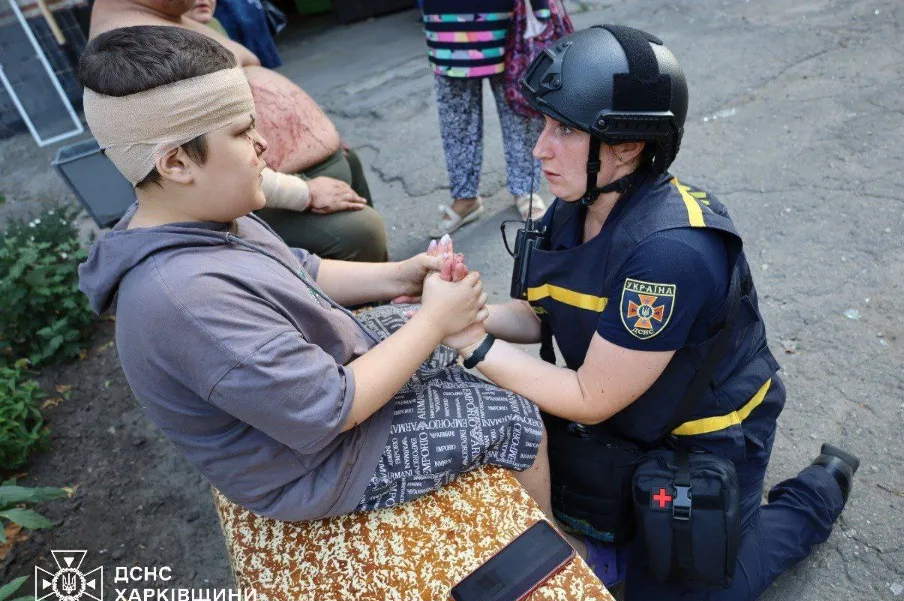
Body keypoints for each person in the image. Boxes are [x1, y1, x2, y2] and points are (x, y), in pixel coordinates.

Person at [441, 26, 860, 601]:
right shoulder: (576, 205)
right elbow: (538, 315)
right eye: (544, 125)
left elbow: (590, 395)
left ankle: (815, 494)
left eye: (564, 130)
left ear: (630, 144)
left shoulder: (671, 252)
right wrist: (457, 310)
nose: (539, 149)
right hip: (625, 423)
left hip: (702, 439)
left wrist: (468, 344)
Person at [76, 26, 565, 529]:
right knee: (514, 417)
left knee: (430, 335)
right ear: (177, 162)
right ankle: (560, 552)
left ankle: (508, 336)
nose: (263, 143)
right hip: (315, 468)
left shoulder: (201, 212)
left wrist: (401, 274)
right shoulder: (184, 300)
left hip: (320, 395)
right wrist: (435, 322)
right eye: (243, 132)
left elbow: (303, 271)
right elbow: (331, 409)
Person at [89, 0, 387, 262]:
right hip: (262, 187)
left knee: (358, 187)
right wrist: (302, 193)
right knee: (360, 234)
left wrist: (318, 131)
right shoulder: (131, 50)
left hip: (288, 170)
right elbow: (199, 159)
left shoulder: (175, 16)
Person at [421, 0, 551, 238]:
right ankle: (465, 196)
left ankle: (526, 189)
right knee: (456, 117)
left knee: (519, 105)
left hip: (506, 12)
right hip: (445, 16)